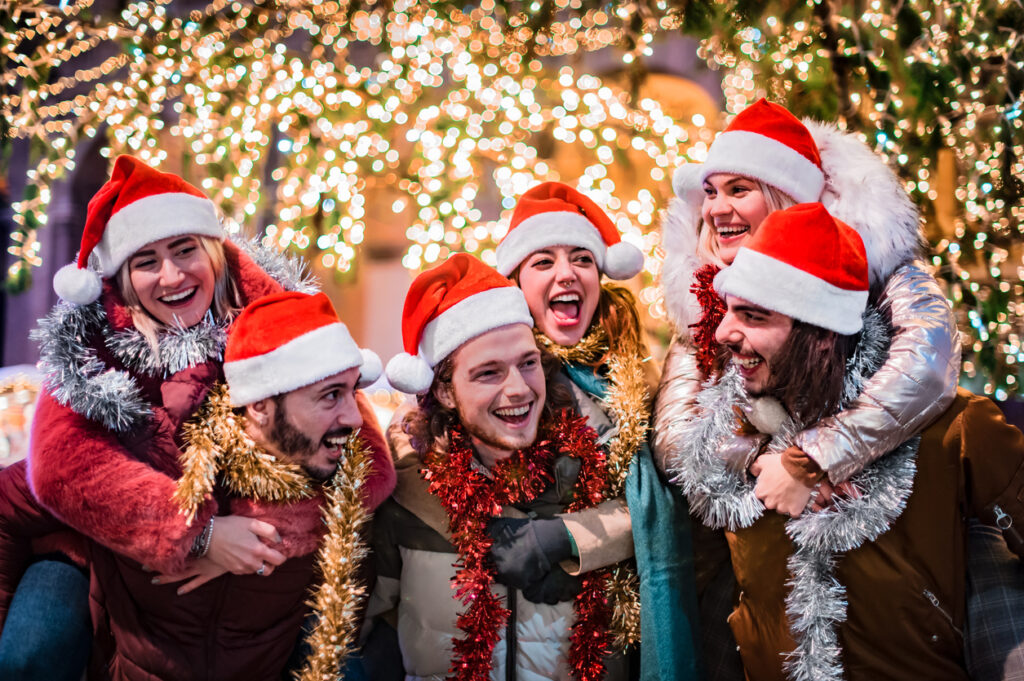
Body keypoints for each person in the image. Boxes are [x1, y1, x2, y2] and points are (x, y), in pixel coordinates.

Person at [0, 155, 395, 678]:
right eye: (146, 261)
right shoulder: (88, 344)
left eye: (185, 250)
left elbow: (365, 460)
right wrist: (198, 535)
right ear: (120, 276)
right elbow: (66, 465)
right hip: (89, 547)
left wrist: (253, 539)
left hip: (250, 589)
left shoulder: (280, 317)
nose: (172, 276)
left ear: (214, 252)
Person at [652, 98, 961, 676]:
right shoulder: (704, 295)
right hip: (757, 550)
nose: (717, 208)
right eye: (710, 191)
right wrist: (761, 461)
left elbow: (930, 362)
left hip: (878, 533)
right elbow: (676, 432)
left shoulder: (873, 260)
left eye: (738, 189)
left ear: (785, 196)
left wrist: (820, 455)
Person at [667, 202, 1024, 681]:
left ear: (821, 335)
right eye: (729, 310)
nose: (725, 332)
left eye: (753, 316)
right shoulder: (731, 429)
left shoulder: (953, 429)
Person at [373, 253, 627, 680]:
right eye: (488, 373)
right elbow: (365, 623)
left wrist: (570, 538)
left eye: (527, 364)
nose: (518, 390)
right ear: (445, 391)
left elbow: (666, 526)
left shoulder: (601, 455)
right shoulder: (408, 486)